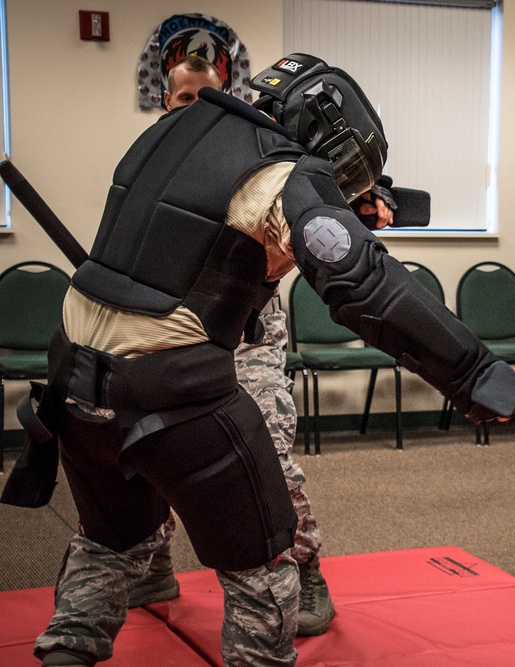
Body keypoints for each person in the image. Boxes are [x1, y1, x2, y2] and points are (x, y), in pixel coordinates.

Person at [31, 52, 515, 667]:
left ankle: (67, 651)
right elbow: (366, 286)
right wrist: (476, 374)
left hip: (74, 378)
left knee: (107, 542)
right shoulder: (281, 169)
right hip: (172, 386)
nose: (343, 179)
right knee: (263, 565)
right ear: (324, 127)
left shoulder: (163, 133)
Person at [125, 54, 336, 638]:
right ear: (167, 101)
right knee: (150, 448)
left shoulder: (249, 155)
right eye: (185, 97)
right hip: (165, 330)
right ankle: (153, 564)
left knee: (267, 458)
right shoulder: (148, 159)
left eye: (208, 98)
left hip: (245, 331)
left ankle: (307, 569)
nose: (196, 109)